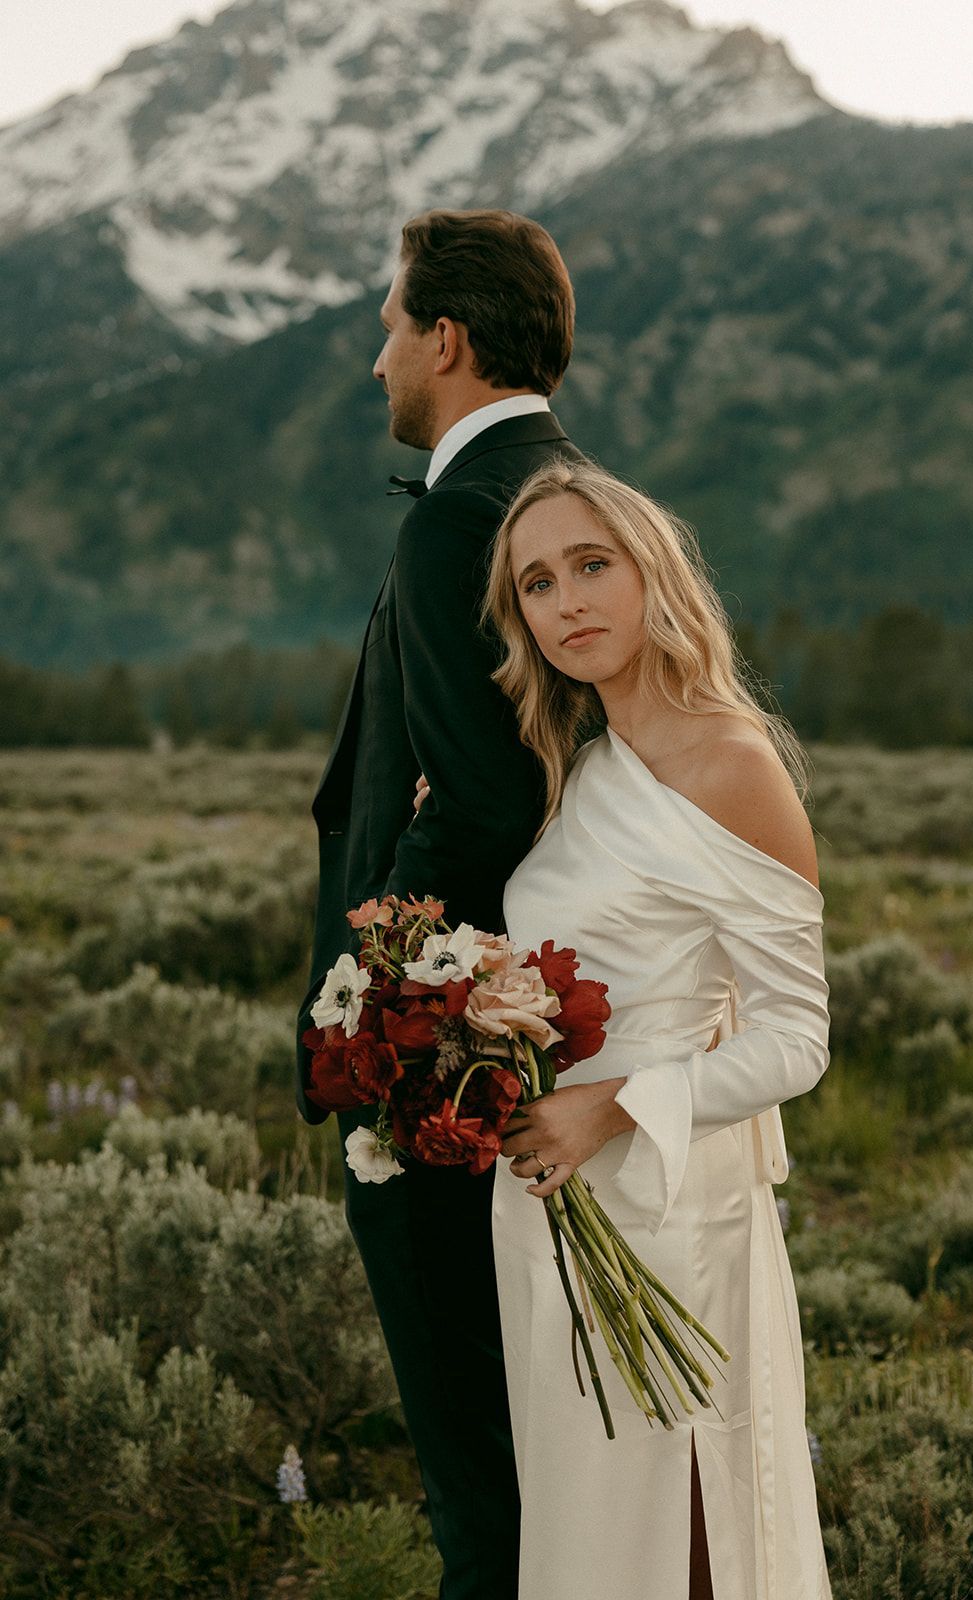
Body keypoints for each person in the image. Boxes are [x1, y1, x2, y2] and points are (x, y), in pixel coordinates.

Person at [295, 209, 585, 1600]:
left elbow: (481, 809)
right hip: (537, 1042)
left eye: (388, 326)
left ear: (446, 338)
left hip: (451, 1065)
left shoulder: (465, 519)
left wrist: (373, 997)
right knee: (543, 1436)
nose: (375, 363)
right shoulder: (572, 496)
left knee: (480, 1460)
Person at [482, 460, 833, 1599]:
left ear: (653, 573)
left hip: (669, 1200)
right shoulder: (582, 768)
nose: (567, 601)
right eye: (537, 583)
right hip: (551, 1206)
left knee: (679, 1526)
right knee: (586, 1536)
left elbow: (794, 1039)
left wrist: (609, 1106)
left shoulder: (732, 763)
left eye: (593, 564)